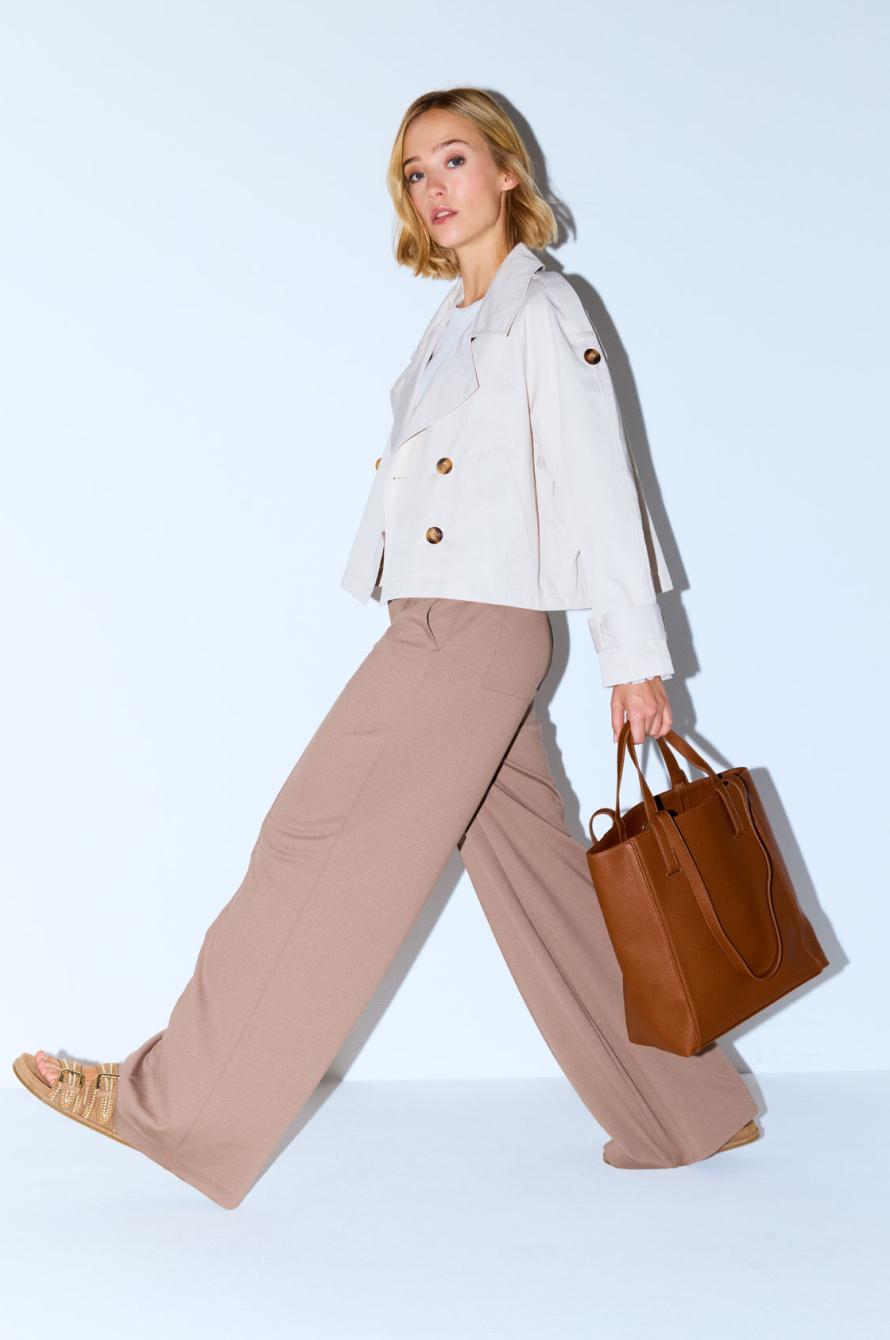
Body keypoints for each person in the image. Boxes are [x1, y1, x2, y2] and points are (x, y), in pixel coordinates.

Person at [13, 87, 760, 1210]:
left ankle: (172, 1105)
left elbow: (599, 485)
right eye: (415, 171)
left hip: (472, 630)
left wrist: (632, 656)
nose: (434, 186)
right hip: (442, 623)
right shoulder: (453, 322)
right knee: (545, 889)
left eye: (454, 159)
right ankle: (688, 1109)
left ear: (507, 171)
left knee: (312, 837)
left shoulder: (542, 308)